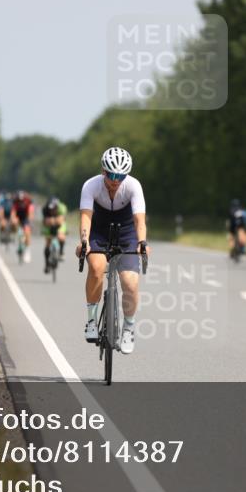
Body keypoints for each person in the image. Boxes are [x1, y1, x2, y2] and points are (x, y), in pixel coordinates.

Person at [75, 147, 150, 354]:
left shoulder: (133, 186)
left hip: (127, 231)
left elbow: (139, 220)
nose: (115, 180)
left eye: (120, 175)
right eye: (111, 174)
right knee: (97, 268)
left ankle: (128, 327)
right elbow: (86, 217)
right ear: (103, 171)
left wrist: (142, 242)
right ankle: (91, 319)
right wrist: (84, 241)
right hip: (98, 229)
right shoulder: (91, 185)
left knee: (130, 282)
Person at [41, 196, 68, 273]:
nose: (52, 210)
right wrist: (50, 221)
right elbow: (45, 222)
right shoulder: (45, 209)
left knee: (61, 236)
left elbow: (61, 220)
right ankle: (47, 264)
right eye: (50, 209)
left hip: (60, 223)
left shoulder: (62, 208)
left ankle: (61, 252)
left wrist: (54, 220)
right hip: (48, 225)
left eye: (54, 208)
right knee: (48, 241)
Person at [11, 190, 34, 263]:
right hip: (18, 216)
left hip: (25, 217)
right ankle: (15, 235)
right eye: (19, 200)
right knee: (13, 223)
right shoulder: (15, 202)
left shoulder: (28, 201)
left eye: (22, 200)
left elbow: (30, 212)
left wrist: (30, 219)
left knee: (27, 231)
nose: (20, 202)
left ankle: (27, 250)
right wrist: (13, 219)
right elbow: (13, 212)